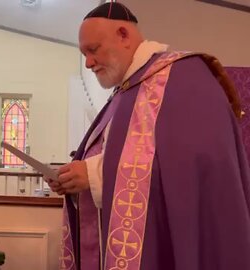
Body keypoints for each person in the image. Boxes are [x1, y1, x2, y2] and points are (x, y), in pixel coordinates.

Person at [48, 2, 250, 270]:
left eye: (93, 50)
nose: (88, 63)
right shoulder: (125, 92)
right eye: (84, 53)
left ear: (123, 35)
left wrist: (95, 175)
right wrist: (75, 179)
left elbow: (188, 171)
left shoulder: (183, 78)